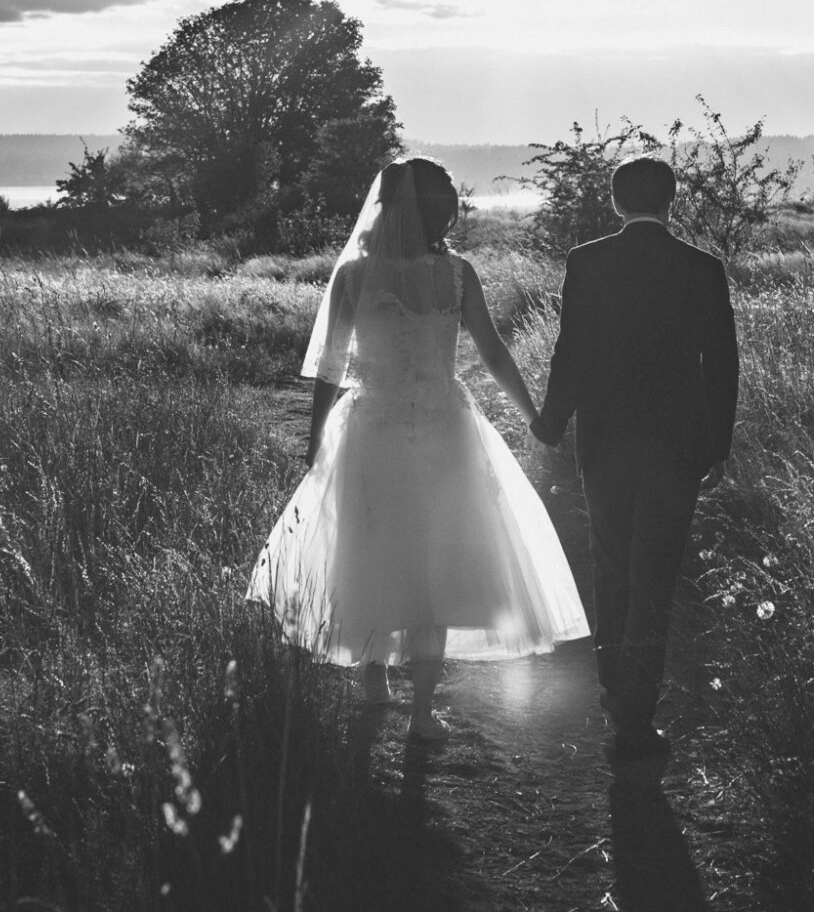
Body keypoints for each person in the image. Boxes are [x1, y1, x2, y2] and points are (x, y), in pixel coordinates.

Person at [248, 157, 589, 742]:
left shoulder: (354, 276)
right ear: (439, 212)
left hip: (372, 426)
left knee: (373, 543)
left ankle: (375, 675)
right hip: (444, 428)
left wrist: (315, 440)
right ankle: (423, 712)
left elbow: (331, 367)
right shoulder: (456, 274)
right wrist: (533, 417)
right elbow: (493, 353)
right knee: (437, 557)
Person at [530, 156, 738, 763]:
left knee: (611, 564)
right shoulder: (703, 267)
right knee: (656, 575)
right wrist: (717, 445)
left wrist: (553, 421)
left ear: (616, 202)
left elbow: (571, 349)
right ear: (672, 201)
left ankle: (612, 688)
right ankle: (637, 713)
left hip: (606, 441)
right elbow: (722, 363)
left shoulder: (587, 261)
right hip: (678, 445)